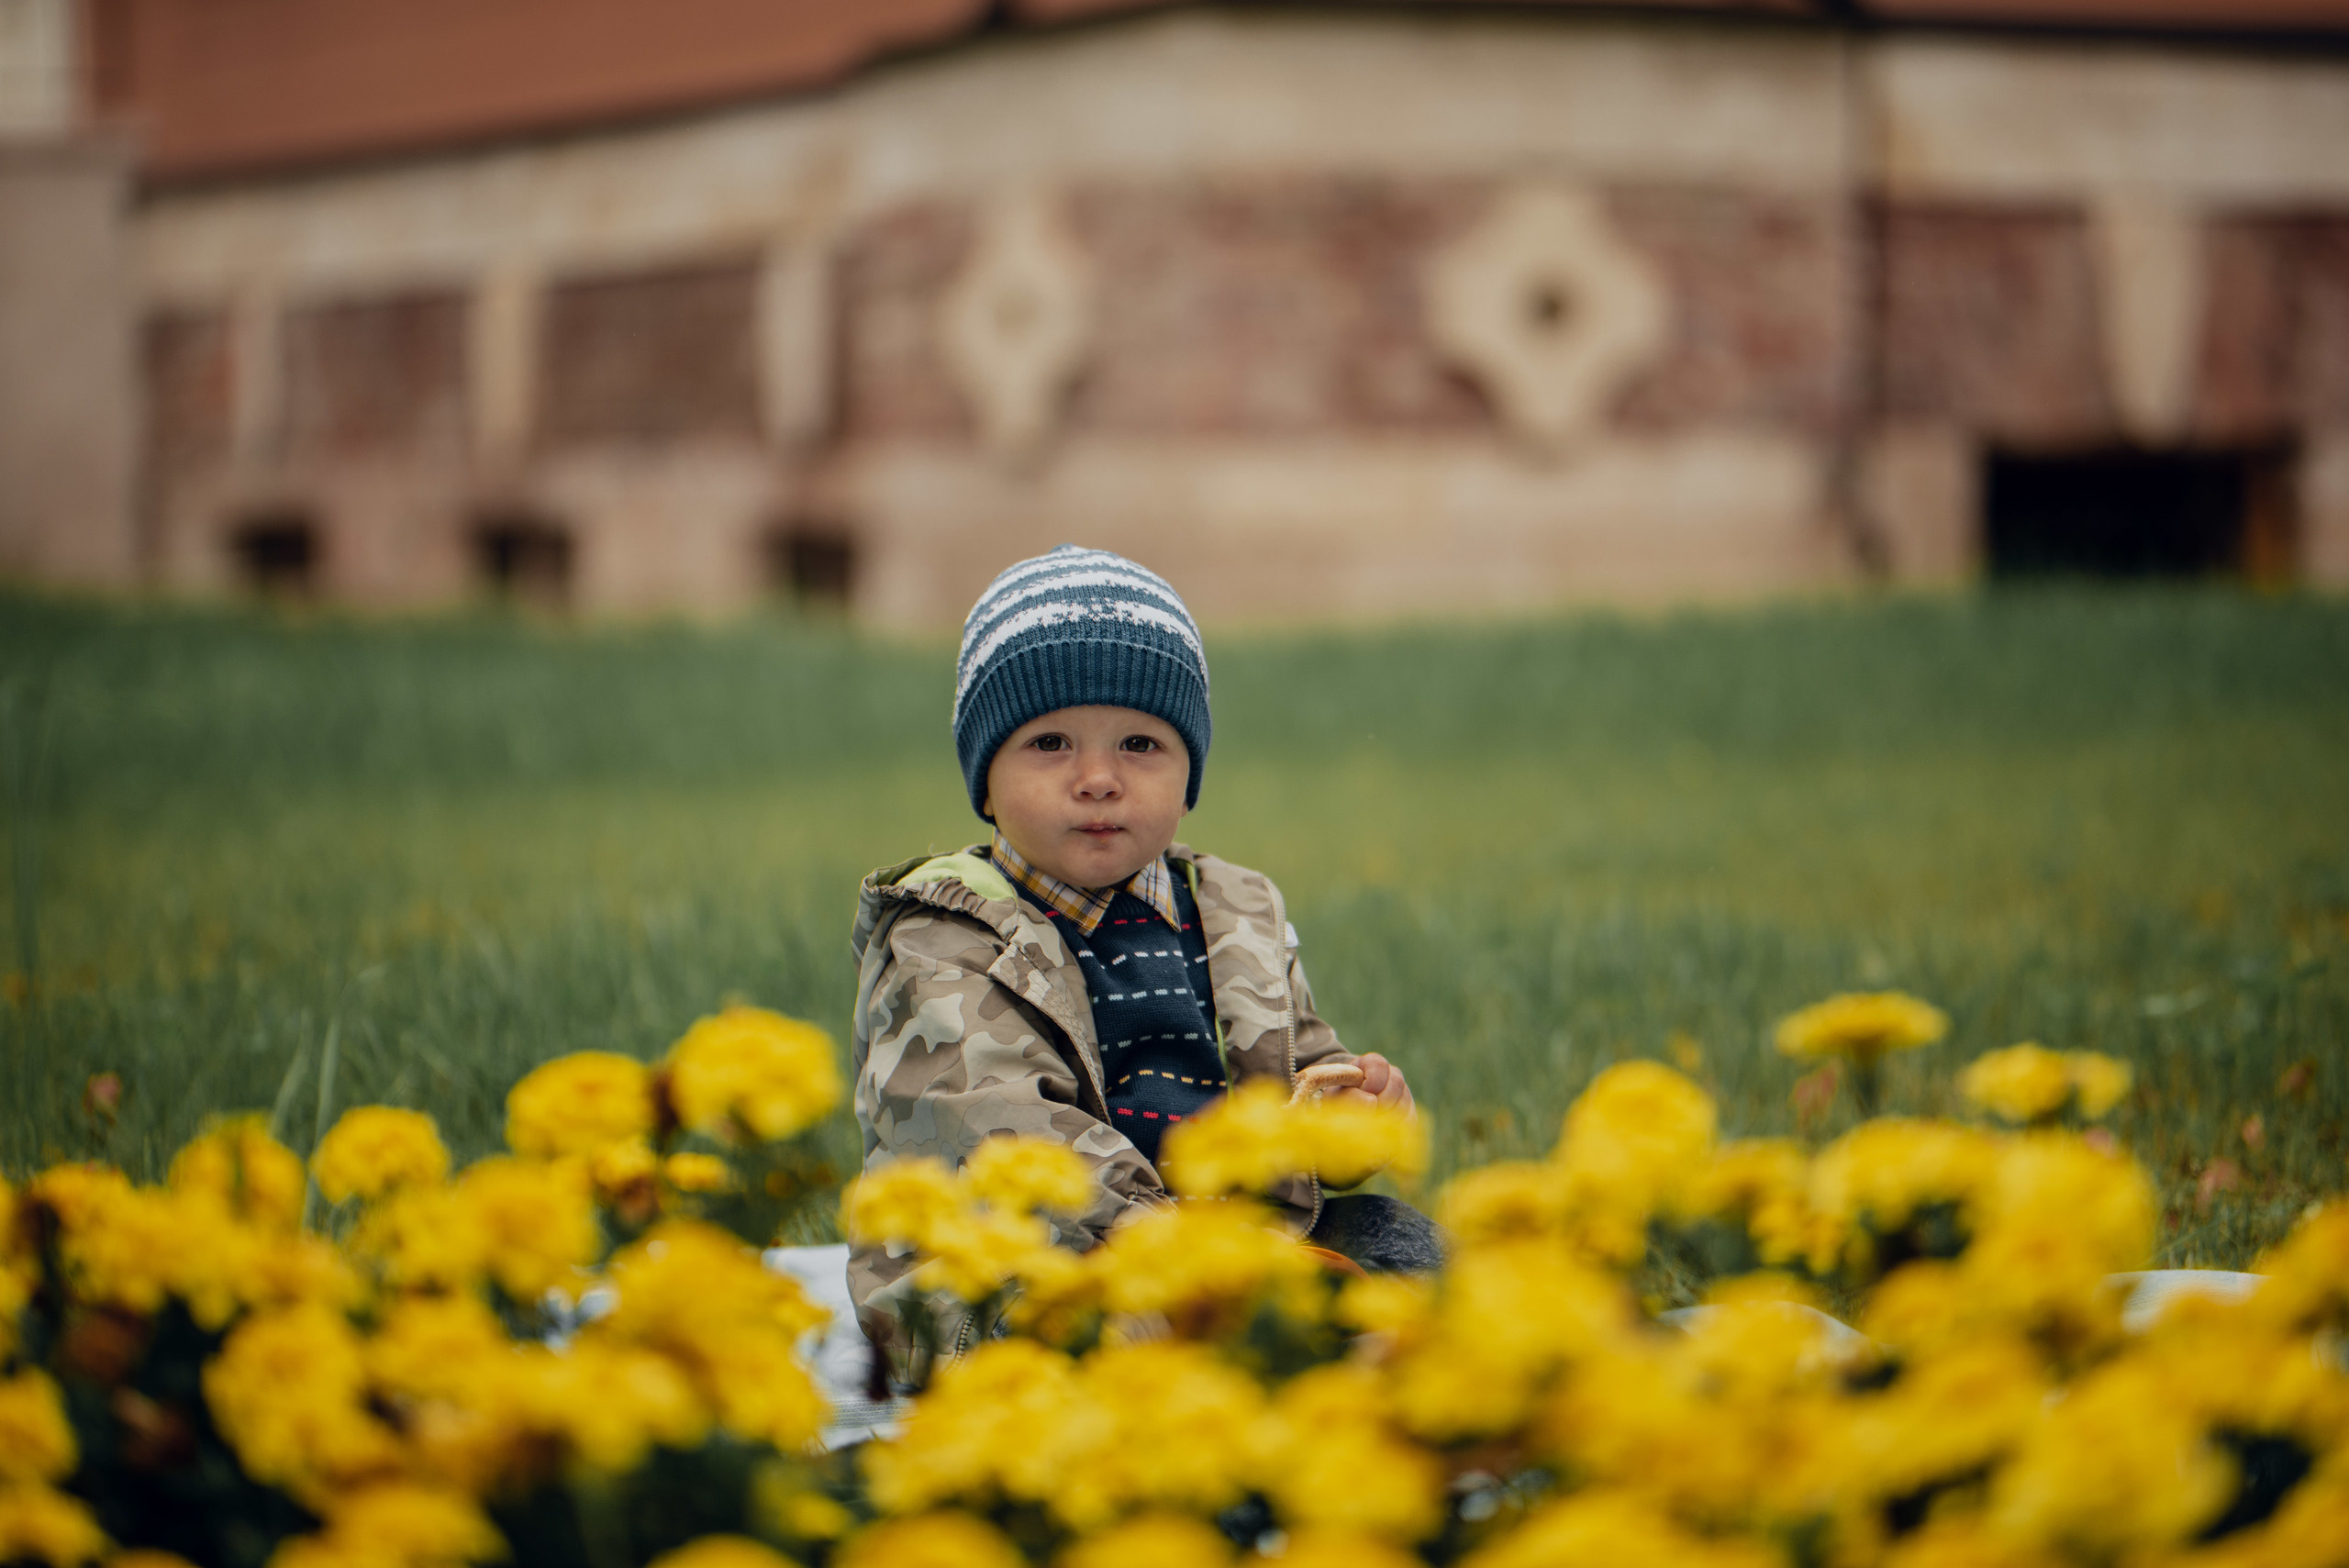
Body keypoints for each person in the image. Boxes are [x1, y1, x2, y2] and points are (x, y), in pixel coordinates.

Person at [849, 545, 1439, 1373]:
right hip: (1030, 1255)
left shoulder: (1235, 911)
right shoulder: (945, 935)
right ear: (985, 782)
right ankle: (1237, 1400)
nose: (1097, 778)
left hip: (1241, 1244)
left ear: (1189, 771)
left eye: (1139, 744)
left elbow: (1297, 1064)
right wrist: (1167, 1248)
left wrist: (1351, 1114)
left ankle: (1347, 1367)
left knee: (1404, 1245)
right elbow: (1002, 1127)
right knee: (1102, 1337)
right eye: (1051, 743)